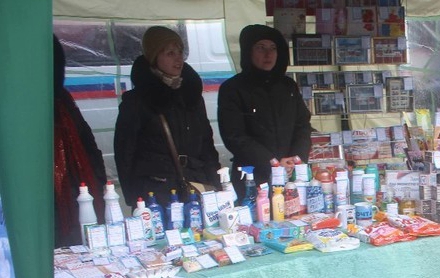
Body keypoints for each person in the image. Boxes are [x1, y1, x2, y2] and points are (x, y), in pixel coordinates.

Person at [113, 26, 221, 207]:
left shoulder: (192, 95)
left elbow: (207, 146)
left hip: (195, 183)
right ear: (154, 57)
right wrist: (133, 199)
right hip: (157, 191)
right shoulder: (137, 101)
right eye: (170, 53)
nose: (178, 59)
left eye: (180, 52)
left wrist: (216, 182)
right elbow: (125, 153)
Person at [218, 24, 312, 198]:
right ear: (249, 52)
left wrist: (296, 158)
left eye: (273, 48)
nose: (268, 54)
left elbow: (302, 125)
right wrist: (271, 162)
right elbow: (234, 135)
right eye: (261, 48)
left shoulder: (288, 86)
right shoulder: (233, 89)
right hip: (252, 178)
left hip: (290, 176)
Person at [54, 35, 107, 247]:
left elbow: (88, 145)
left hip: (75, 189)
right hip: (55, 200)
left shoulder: (63, 101)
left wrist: (100, 180)